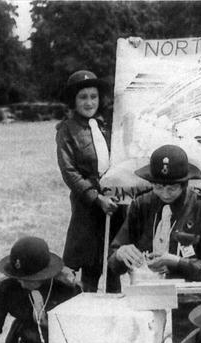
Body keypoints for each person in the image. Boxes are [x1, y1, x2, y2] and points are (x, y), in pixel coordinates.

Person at [108, 143, 201, 343]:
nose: (164, 193)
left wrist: (178, 263)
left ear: (185, 184)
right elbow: (112, 263)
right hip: (145, 305)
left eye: (172, 188)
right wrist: (120, 254)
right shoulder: (141, 205)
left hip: (188, 309)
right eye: (158, 186)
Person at [56, 69, 125, 292]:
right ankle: (87, 308)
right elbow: (70, 172)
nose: (89, 103)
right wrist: (96, 198)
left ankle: (115, 308)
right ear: (73, 101)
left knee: (114, 260)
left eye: (93, 97)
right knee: (91, 264)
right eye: (83, 97)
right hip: (88, 207)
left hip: (115, 202)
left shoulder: (108, 124)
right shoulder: (67, 130)